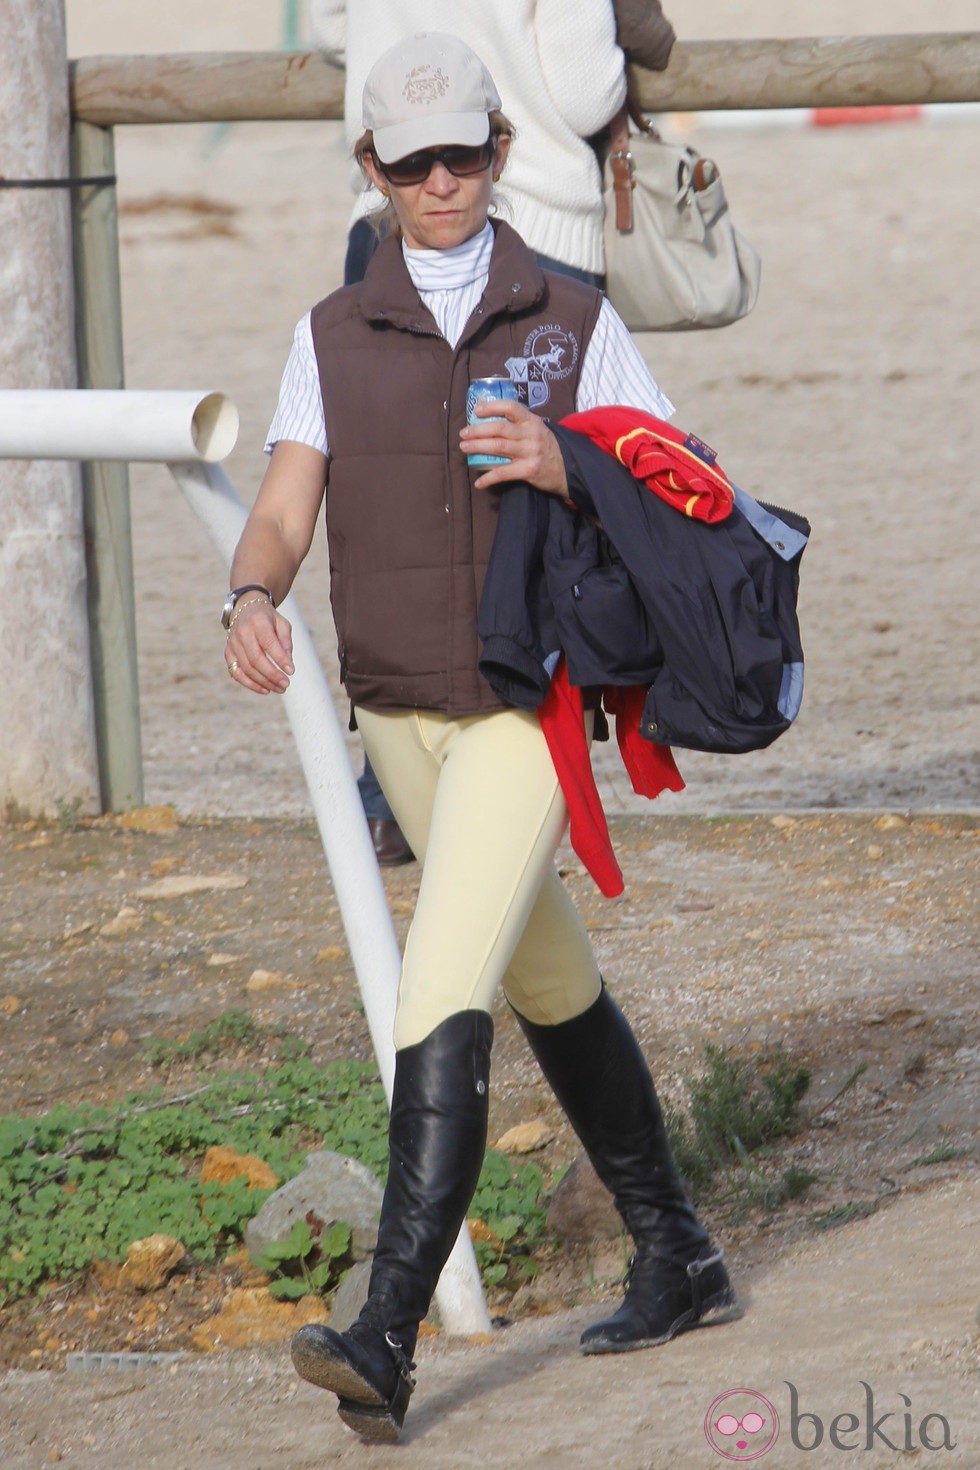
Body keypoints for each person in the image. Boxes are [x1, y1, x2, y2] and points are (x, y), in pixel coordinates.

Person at [224, 32, 735, 1444]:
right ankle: (679, 1248)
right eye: (414, 159)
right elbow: (281, 504)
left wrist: (564, 457)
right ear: (372, 168)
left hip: (525, 709)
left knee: (439, 983)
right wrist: (249, 593)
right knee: (547, 971)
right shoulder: (330, 332)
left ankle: (384, 1332)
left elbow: (682, 483)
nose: (444, 180)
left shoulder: (573, 311)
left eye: (465, 153)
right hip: (395, 712)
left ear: (502, 151)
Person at [309, 0, 673, 864]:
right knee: (537, 513)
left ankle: (389, 796)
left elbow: (328, 28)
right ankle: (526, 766)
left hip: (387, 218)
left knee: (402, 511)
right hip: (528, 218)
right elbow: (584, 93)